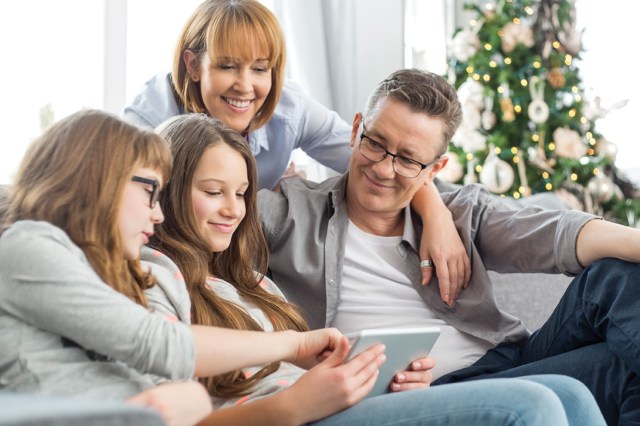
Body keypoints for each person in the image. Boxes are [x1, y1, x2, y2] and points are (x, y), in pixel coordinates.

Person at [144, 112, 606, 426]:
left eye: (243, 193)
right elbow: (166, 413)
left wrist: (378, 377)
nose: (234, 210)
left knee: (571, 394)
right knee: (533, 405)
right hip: (296, 416)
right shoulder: (153, 277)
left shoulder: (249, 280)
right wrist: (296, 403)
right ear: (167, 190)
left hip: (332, 406)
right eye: (212, 191)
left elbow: (301, 363)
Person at [257, 68, 640, 425]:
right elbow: (207, 198)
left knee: (616, 276)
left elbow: (552, 232)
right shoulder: (290, 213)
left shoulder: (457, 212)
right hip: (426, 395)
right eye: (375, 143)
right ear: (356, 129)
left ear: (434, 170)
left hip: (506, 363)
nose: (383, 169)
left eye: (408, 160)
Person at [0, 109, 369, 426]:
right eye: (150, 193)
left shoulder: (89, 268)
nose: (157, 213)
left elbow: (167, 382)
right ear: (102, 182)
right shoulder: (28, 245)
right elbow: (159, 345)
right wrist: (294, 345)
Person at [122, 0, 472, 301]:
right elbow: (125, 216)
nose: (245, 86)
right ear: (193, 65)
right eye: (228, 66)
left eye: (260, 68)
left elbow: (373, 156)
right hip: (168, 251)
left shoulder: (289, 109)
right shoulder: (149, 120)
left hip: (240, 256)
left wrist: (435, 213)